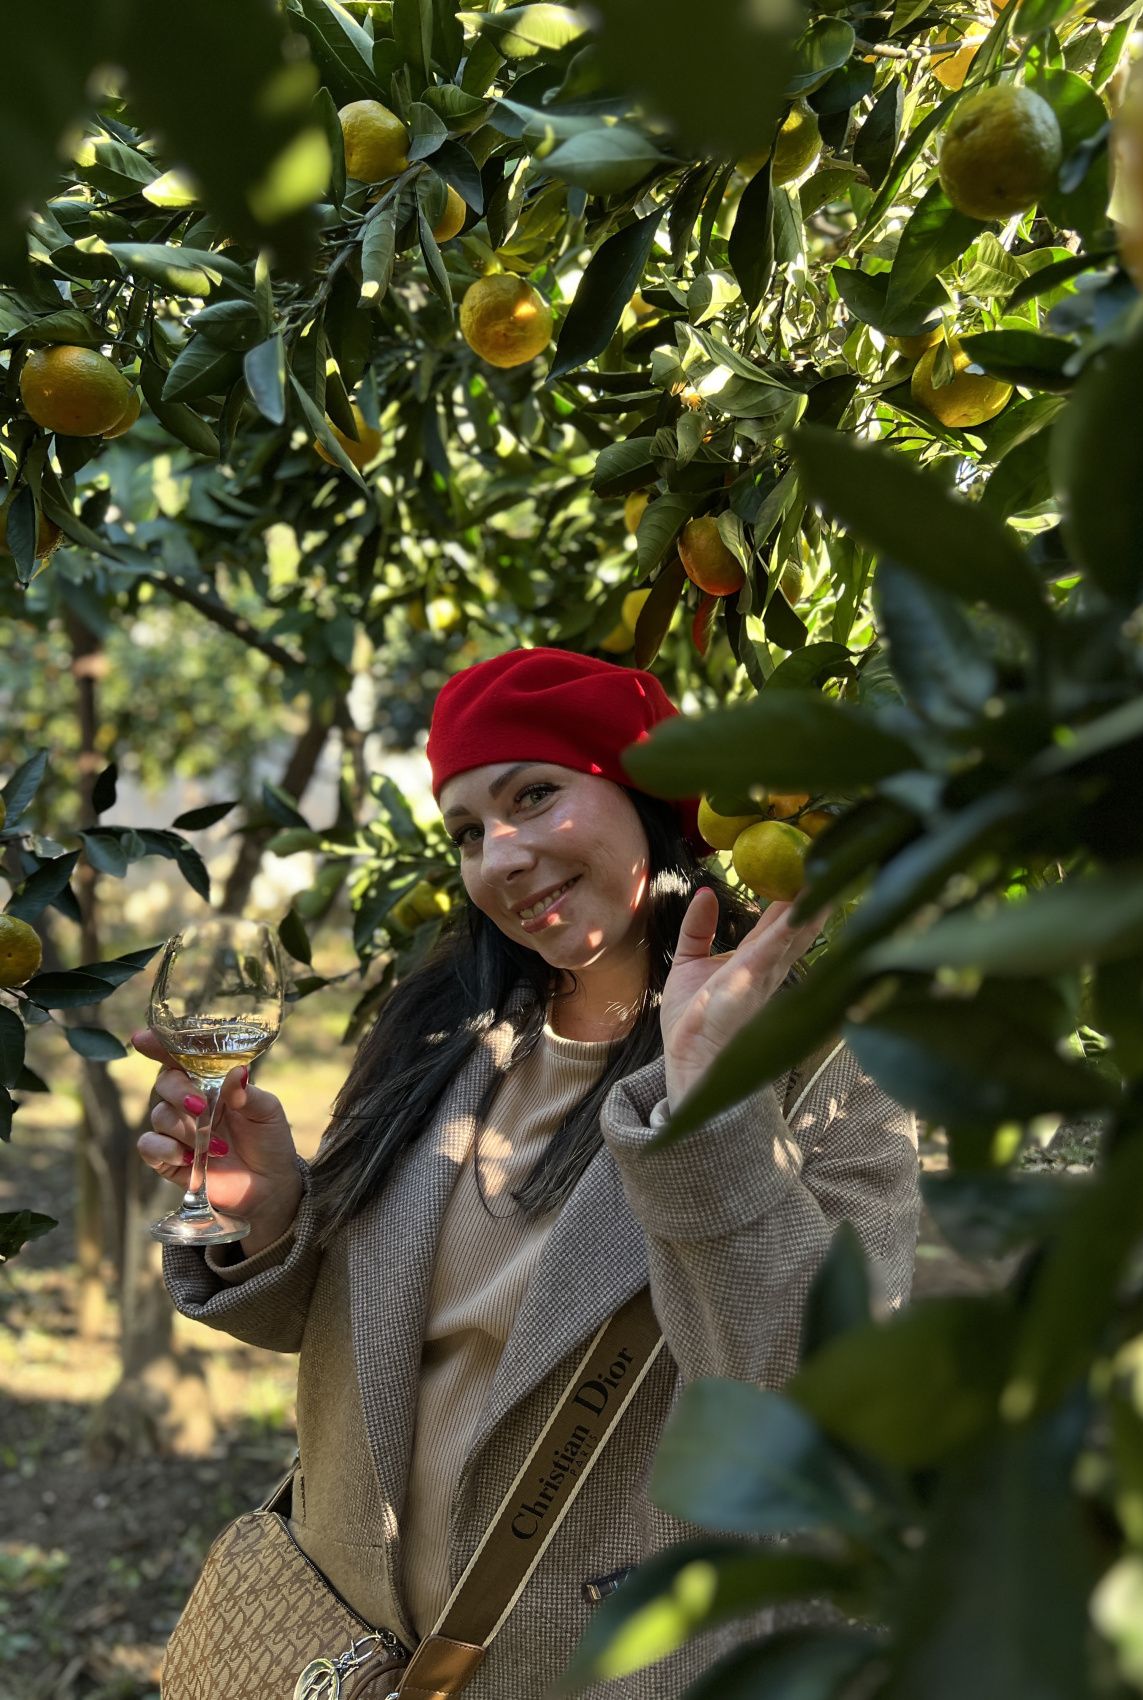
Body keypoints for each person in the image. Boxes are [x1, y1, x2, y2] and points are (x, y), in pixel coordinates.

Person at [135, 647, 920, 1699]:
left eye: (534, 795)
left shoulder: (823, 1064)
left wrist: (709, 1108)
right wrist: (271, 1222)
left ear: (647, 797)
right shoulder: (441, 1035)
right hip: (359, 1652)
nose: (500, 854)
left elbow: (817, 1393)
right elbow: (374, 1344)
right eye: (467, 831)